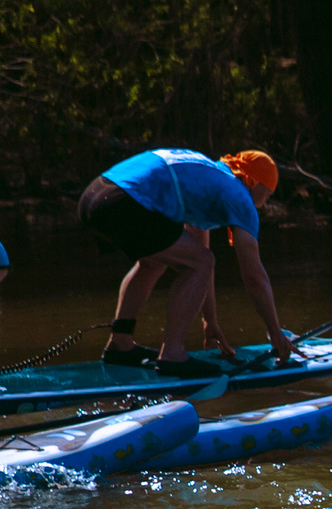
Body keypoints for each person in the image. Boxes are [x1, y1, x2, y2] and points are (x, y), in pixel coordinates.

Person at [77, 148, 296, 370]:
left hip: (95, 196)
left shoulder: (208, 178)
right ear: (255, 183)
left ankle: (120, 344)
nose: (265, 203)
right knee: (201, 261)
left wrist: (210, 322)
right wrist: (275, 332)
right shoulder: (240, 196)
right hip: (124, 201)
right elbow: (253, 276)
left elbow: (200, 257)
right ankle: (172, 353)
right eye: (267, 194)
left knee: (156, 261)